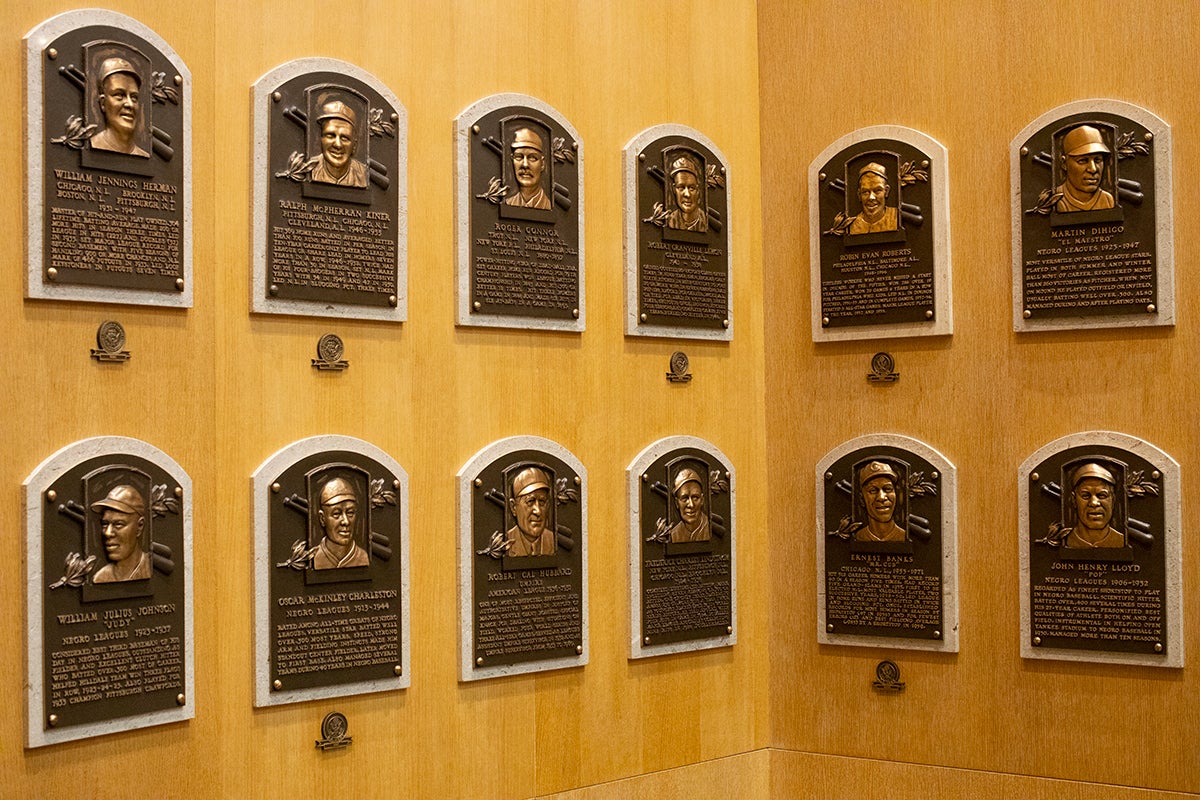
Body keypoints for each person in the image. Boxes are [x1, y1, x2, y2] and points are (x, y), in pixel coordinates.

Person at [89, 57, 149, 157]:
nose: (130, 104)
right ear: (103, 103)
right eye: (119, 95)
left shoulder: (143, 155)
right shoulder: (93, 144)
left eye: (134, 97)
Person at [91, 485, 151, 583]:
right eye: (105, 524)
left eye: (118, 524)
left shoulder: (151, 567)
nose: (107, 533)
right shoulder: (100, 578)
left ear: (139, 526)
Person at [1055, 124, 1115, 213]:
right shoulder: (1054, 199)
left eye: (1097, 160)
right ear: (1064, 163)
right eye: (1082, 160)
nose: (1093, 169)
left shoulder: (1107, 200)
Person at [312, 476, 369, 569]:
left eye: (350, 513)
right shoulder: (313, 557)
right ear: (322, 519)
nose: (346, 521)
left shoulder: (362, 557)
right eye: (336, 513)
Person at [1064, 463, 1125, 548]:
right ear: (1074, 500)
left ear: (1113, 500)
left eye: (1102, 495)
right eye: (1085, 495)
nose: (1094, 503)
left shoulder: (1122, 540)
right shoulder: (1064, 540)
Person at [310, 100, 368, 188]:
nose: (338, 145)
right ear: (320, 140)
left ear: (354, 145)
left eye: (344, 137)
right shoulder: (308, 170)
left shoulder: (363, 175)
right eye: (331, 135)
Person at [505, 466, 556, 556]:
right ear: (513, 507)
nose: (538, 511)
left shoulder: (554, 541)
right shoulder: (504, 542)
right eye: (530, 501)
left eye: (542, 501)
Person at [854, 461, 906, 542]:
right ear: (861, 499)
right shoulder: (857, 537)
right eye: (873, 490)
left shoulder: (904, 536)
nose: (881, 497)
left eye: (888, 489)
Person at [504, 128, 551, 209]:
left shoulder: (548, 204)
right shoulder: (507, 203)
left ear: (542, 164)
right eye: (519, 157)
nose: (525, 165)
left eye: (532, 158)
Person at [848, 163, 898, 234]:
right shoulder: (852, 224)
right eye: (865, 192)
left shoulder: (896, 218)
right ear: (859, 195)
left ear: (886, 191)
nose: (871, 197)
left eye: (877, 190)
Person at [665, 155, 708, 231]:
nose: (687, 194)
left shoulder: (704, 220)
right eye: (681, 187)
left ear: (698, 191)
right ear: (674, 189)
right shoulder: (670, 220)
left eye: (691, 188)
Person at [667, 468, 711, 543]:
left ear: (702, 500)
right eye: (684, 498)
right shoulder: (674, 534)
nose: (691, 505)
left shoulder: (710, 528)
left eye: (695, 498)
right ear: (677, 503)